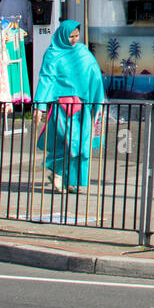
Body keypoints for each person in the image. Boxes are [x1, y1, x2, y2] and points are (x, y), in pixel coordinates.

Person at [33, 21, 106, 193]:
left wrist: (98, 102)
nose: (73, 40)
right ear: (62, 35)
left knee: (81, 143)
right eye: (70, 36)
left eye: (76, 36)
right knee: (66, 142)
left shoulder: (83, 52)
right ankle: (58, 175)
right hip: (61, 108)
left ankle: (71, 179)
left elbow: (94, 75)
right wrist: (40, 107)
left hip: (82, 108)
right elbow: (47, 79)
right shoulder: (52, 54)